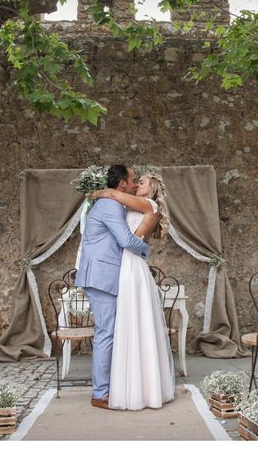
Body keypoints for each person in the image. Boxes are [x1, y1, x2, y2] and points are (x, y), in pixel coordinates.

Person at [91, 172, 175, 410]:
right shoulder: (139, 206)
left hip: (131, 265)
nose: (137, 184)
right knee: (131, 325)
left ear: (153, 188)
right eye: (136, 181)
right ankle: (134, 385)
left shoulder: (148, 204)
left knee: (133, 323)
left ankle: (138, 388)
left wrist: (97, 193)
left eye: (142, 182)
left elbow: (115, 193)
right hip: (126, 264)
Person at [74, 164, 150, 410]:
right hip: (101, 276)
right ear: (122, 185)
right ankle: (100, 394)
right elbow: (126, 240)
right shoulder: (109, 205)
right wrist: (146, 253)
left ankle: (111, 387)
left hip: (104, 275)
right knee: (106, 334)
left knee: (111, 333)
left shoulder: (113, 203)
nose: (136, 183)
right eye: (133, 180)